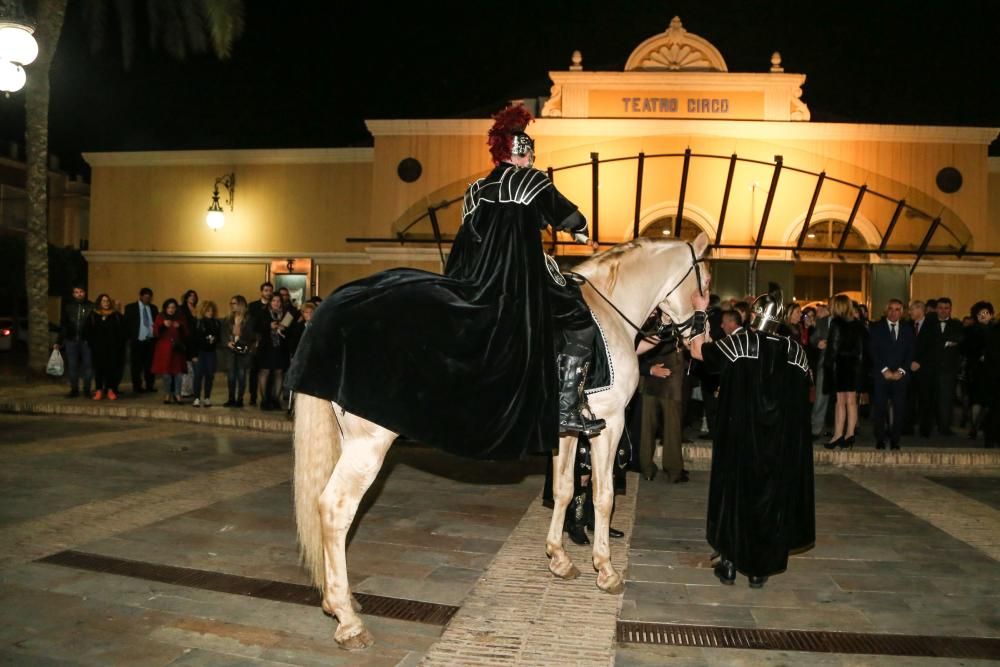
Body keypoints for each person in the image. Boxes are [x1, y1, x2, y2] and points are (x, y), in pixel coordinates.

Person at [287, 104, 602, 461]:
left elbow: (465, 246)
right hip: (519, 283)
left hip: (476, 281)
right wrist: (582, 233)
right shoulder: (531, 180)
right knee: (578, 320)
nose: (531, 159)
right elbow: (572, 217)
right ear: (521, 153)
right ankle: (565, 406)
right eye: (529, 154)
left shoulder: (475, 192)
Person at [688, 287, 814, 589]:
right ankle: (759, 570)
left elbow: (697, 351)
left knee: (735, 497)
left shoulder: (740, 342)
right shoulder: (796, 351)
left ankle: (730, 564)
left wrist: (700, 312)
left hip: (740, 440)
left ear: (754, 315)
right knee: (770, 500)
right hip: (780, 446)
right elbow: (805, 391)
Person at [638, 310, 688, 483]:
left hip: (649, 374)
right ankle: (673, 470)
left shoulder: (641, 318)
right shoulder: (673, 320)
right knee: (671, 426)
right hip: (668, 373)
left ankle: (647, 469)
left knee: (648, 427)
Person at [868, 299, 914, 450]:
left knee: (899, 409)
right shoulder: (876, 328)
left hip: (900, 376)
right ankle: (880, 439)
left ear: (902, 312)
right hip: (882, 375)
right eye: (891, 309)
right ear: (886, 310)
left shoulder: (908, 329)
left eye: (897, 309)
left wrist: (901, 371)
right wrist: (884, 370)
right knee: (880, 408)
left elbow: (911, 353)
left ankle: (895, 440)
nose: (894, 312)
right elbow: (873, 351)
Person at [823, 295, 865, 449]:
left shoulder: (836, 323)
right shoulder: (857, 324)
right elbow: (861, 348)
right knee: (852, 401)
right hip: (853, 365)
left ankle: (838, 434)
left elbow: (833, 348)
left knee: (840, 401)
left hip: (840, 365)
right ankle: (849, 434)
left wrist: (828, 365)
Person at [962, 301, 994, 440]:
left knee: (989, 402)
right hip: (976, 370)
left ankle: (978, 425)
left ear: (991, 314)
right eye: (980, 313)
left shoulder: (996, 329)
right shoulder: (971, 330)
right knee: (976, 401)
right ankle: (974, 427)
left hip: (993, 371)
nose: (983, 316)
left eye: (986, 313)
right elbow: (965, 349)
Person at [85, 294, 126, 400]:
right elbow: (87, 331)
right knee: (98, 369)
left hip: (112, 348)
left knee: (111, 369)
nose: (106, 303)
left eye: (107, 301)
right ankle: (99, 390)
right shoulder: (93, 315)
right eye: (103, 301)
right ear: (99, 303)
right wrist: (92, 344)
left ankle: (110, 390)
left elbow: (121, 332)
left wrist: (118, 345)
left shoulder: (115, 315)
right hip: (97, 348)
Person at [55, 285, 93, 398]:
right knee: (72, 366)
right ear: (73, 294)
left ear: (85, 293)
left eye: (81, 292)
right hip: (71, 341)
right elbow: (63, 325)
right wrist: (59, 341)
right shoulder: (68, 307)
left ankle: (87, 390)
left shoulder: (91, 306)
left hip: (87, 341)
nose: (79, 294)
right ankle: (74, 390)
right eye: (76, 292)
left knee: (88, 366)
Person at [933, 297, 964, 435]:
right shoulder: (929, 324)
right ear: (936, 309)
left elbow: (960, 340)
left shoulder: (957, 324)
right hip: (930, 368)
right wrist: (946, 343)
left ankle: (944, 427)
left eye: (946, 308)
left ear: (950, 309)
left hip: (949, 369)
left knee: (946, 399)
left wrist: (942, 343)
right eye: (940, 308)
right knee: (929, 398)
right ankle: (927, 427)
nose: (943, 311)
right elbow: (928, 343)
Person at [151, 298, 189, 404]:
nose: (171, 310)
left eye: (173, 307)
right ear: (165, 308)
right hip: (164, 350)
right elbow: (155, 332)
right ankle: (167, 394)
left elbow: (186, 333)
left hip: (177, 350)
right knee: (166, 374)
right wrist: (163, 325)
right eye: (169, 307)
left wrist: (180, 326)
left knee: (178, 374)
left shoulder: (180, 318)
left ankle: (177, 394)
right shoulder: (160, 317)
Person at [256, 295, 290, 410]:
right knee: (264, 371)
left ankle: (276, 400)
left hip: (280, 348)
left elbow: (291, 330)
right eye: (274, 300)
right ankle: (264, 400)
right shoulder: (263, 313)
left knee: (279, 372)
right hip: (266, 347)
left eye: (278, 300)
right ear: (270, 302)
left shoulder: (286, 314)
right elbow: (256, 327)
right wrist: (269, 326)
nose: (276, 303)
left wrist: (283, 328)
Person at [123, 288, 158, 393]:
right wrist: (130, 338)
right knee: (136, 365)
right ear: (141, 296)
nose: (147, 299)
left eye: (149, 297)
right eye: (146, 297)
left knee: (150, 365)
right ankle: (137, 386)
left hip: (150, 340)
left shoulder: (153, 308)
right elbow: (127, 324)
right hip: (137, 341)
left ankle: (150, 385)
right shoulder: (131, 308)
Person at [222, 295, 252, 408]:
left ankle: (240, 399)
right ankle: (231, 398)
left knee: (241, 374)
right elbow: (223, 334)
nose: (232, 306)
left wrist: (241, 335)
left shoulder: (248, 319)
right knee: (231, 375)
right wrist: (227, 342)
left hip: (242, 350)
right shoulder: (227, 319)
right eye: (231, 303)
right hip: (230, 350)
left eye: (234, 303)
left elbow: (251, 335)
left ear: (240, 304)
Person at [247, 281, 274, 407]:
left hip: (270, 343)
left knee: (268, 370)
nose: (268, 293)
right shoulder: (253, 306)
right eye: (266, 290)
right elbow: (250, 325)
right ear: (261, 291)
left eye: (270, 290)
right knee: (254, 370)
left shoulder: (274, 305)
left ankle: (267, 396)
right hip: (256, 342)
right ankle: (253, 396)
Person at [192, 300, 221, 407]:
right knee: (198, 375)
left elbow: (219, 337)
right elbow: (193, 340)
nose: (210, 313)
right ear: (203, 311)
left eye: (212, 311)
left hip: (211, 352)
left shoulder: (216, 323)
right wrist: (193, 355)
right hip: (200, 352)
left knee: (210, 375)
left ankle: (207, 397)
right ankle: (196, 398)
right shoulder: (198, 322)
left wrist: (214, 339)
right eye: (208, 311)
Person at [178, 289, 200, 398]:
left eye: (194, 296)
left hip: (195, 340)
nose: (192, 297)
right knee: (186, 365)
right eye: (190, 295)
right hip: (185, 339)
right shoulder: (181, 309)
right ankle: (183, 390)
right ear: (186, 297)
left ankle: (192, 389)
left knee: (194, 366)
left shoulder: (197, 309)